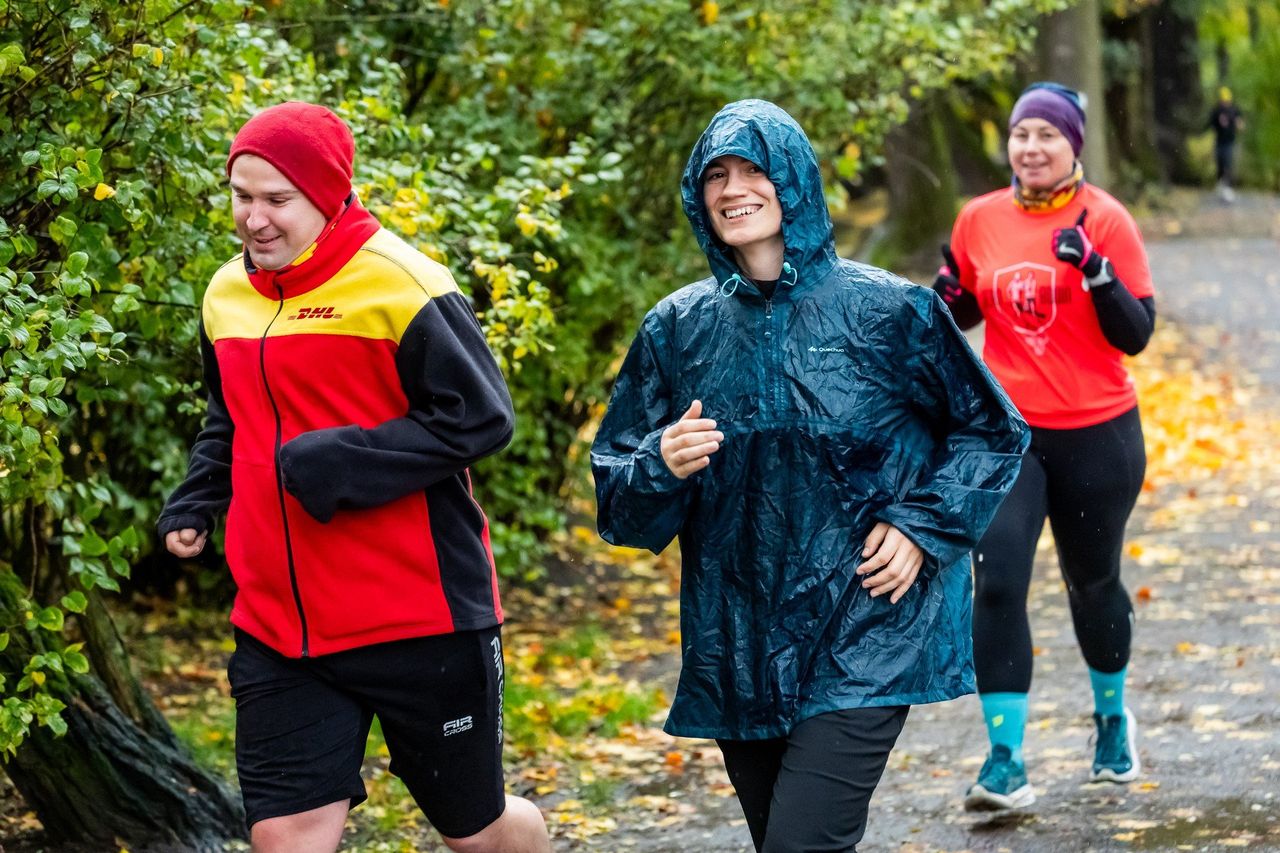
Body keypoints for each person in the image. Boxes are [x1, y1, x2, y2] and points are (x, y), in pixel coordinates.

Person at [592, 99, 1029, 852]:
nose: (734, 189)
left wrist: (923, 526)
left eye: (753, 168)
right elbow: (621, 506)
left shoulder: (892, 313)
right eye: (715, 176)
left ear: (793, 178)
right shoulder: (677, 330)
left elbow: (992, 430)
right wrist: (659, 465)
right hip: (738, 642)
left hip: (865, 629)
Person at [157, 102, 550, 853]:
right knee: (287, 837)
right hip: (279, 627)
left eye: (278, 200)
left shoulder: (405, 284)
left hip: (421, 618)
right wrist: (201, 496)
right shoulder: (225, 294)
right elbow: (229, 416)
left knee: (480, 831)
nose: (255, 219)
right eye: (242, 195)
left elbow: (482, 417)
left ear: (330, 194)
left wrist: (347, 462)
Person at [933, 82, 1157, 811]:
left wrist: (1095, 271)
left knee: (1091, 584)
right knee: (996, 581)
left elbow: (1137, 333)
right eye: (1021, 133)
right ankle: (1005, 760)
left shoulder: (1109, 221)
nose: (1031, 147)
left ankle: (1112, 723)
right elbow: (967, 305)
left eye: (1047, 135)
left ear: (1073, 146)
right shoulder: (979, 218)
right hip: (1009, 436)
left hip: (1098, 434)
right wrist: (945, 295)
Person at [1208, 87, 1245, 202]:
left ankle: (1228, 189)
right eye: (1223, 100)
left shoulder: (1234, 110)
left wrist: (1238, 124)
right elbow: (1212, 125)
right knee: (1220, 165)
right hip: (1219, 142)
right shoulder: (1216, 110)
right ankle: (1220, 186)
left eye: (1227, 100)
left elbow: (1241, 125)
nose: (1225, 102)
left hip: (1230, 142)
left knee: (1228, 165)